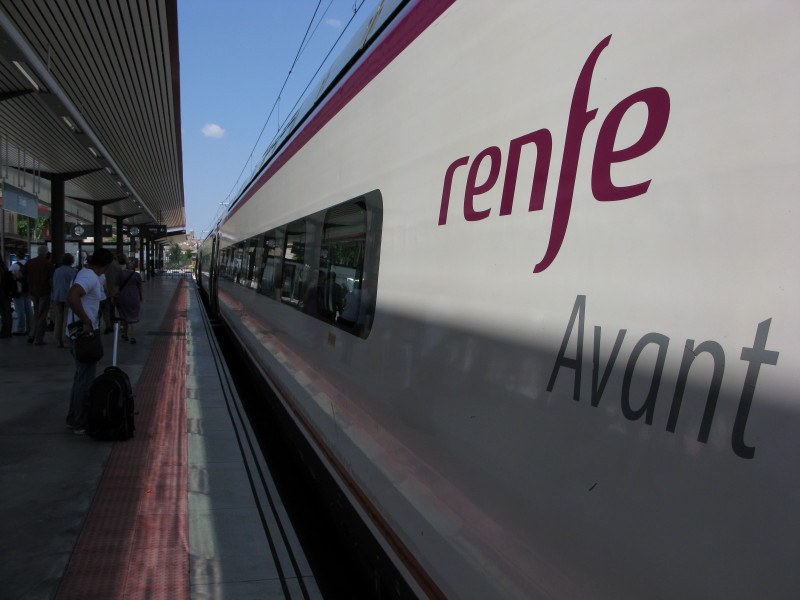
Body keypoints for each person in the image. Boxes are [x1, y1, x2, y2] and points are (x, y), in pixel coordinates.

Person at [65, 248, 114, 434]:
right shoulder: (89, 277)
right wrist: (86, 321)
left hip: (77, 334)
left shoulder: (86, 274)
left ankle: (73, 417)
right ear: (107, 265)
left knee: (80, 378)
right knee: (85, 380)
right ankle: (79, 421)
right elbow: (72, 296)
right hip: (83, 336)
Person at [25, 245, 54, 345]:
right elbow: (51, 280)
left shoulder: (30, 262)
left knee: (36, 313)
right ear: (46, 252)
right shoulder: (48, 264)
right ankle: (38, 338)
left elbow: (20, 275)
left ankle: (31, 334)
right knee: (42, 315)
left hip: (32, 291)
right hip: (44, 292)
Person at [116, 254, 143, 344]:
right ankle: (133, 337)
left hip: (123, 296)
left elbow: (117, 286)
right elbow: (140, 287)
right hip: (134, 296)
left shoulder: (120, 274)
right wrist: (140, 296)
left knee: (123, 315)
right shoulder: (136, 275)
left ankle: (124, 333)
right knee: (133, 317)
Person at [51, 253, 76, 348]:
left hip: (57, 297)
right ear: (71, 261)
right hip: (67, 297)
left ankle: (58, 339)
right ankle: (64, 338)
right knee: (66, 318)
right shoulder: (72, 271)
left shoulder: (57, 271)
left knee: (58, 318)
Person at [10, 252, 31, 336]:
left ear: (17, 256)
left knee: (20, 310)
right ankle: (30, 328)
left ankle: (21, 329)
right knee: (29, 310)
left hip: (18, 291)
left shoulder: (14, 266)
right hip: (28, 290)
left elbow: (10, 277)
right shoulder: (28, 264)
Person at [0, 255, 14, 338]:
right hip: (6, 293)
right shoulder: (4, 267)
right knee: (7, 313)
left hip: (2, 293)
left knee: (5, 313)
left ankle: (5, 332)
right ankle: (7, 332)